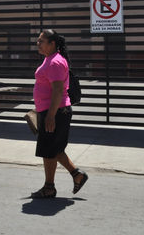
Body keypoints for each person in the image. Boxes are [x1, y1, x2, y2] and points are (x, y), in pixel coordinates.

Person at [30, 29, 89, 198]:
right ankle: (76, 175)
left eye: (41, 41)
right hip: (52, 110)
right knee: (53, 149)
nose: (38, 44)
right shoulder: (50, 59)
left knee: (50, 150)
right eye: (38, 41)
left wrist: (50, 116)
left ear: (52, 43)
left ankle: (50, 187)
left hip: (55, 112)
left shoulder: (55, 62)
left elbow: (57, 91)